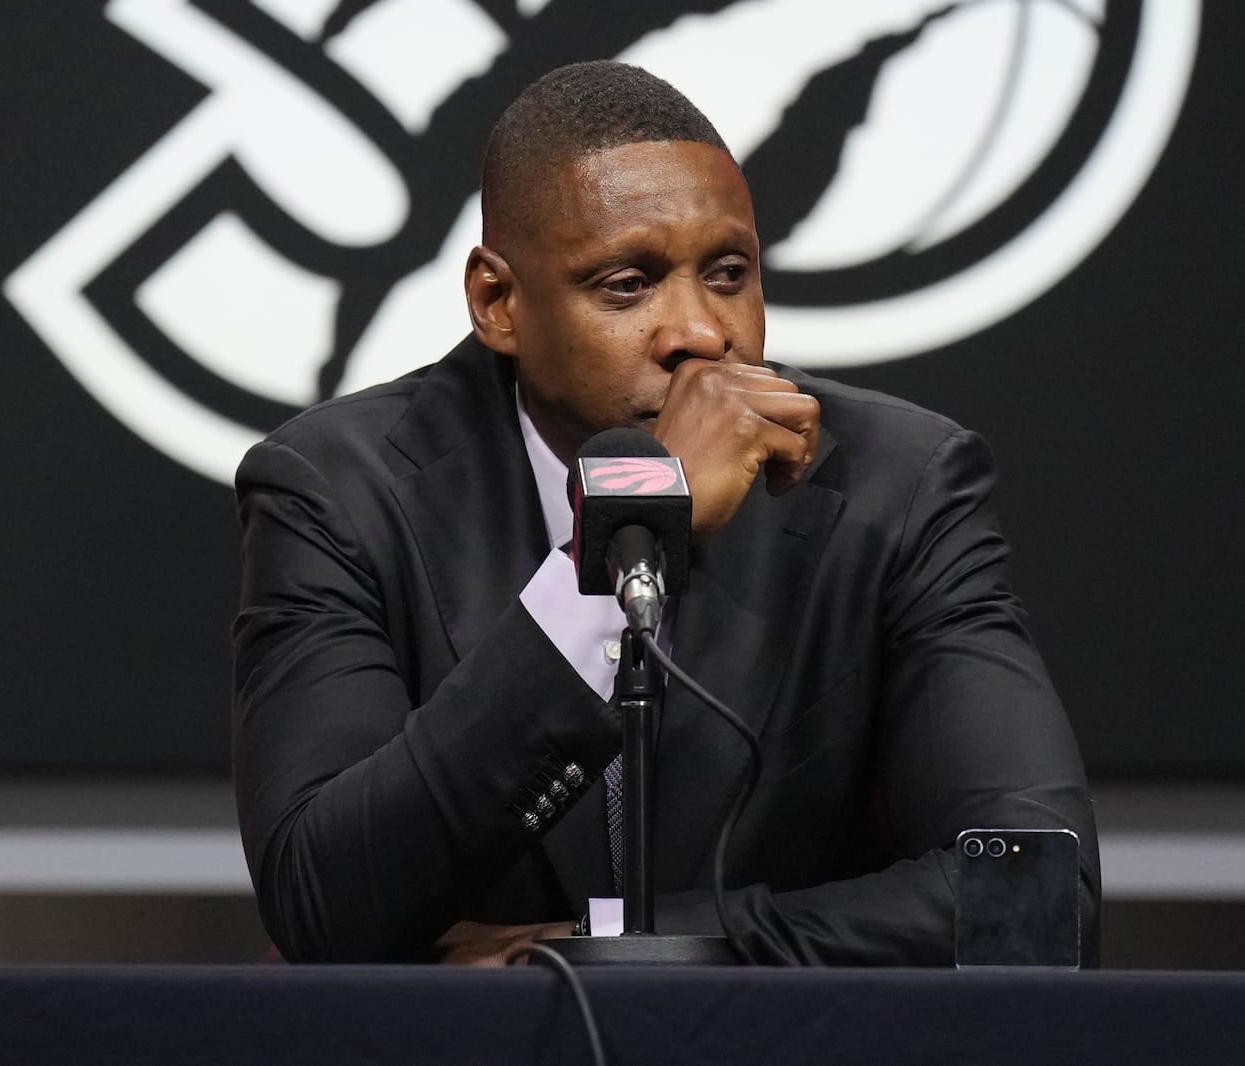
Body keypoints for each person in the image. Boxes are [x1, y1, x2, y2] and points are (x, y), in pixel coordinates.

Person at [232, 61, 1098, 966]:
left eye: (728, 273)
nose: (700, 331)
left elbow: (1040, 898)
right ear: (498, 302)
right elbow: (320, 898)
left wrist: (613, 947)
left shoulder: (899, 485)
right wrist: (616, 564)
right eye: (627, 284)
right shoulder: (338, 488)